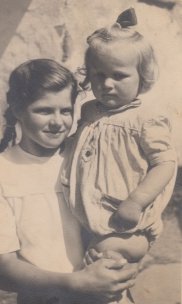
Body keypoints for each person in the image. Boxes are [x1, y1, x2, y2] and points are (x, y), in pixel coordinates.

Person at [0, 59, 138, 304]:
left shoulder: (88, 155)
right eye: (44, 110)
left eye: (65, 110)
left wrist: (118, 258)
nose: (57, 122)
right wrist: (75, 283)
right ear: (17, 110)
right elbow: (3, 272)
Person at [61, 8, 177, 301]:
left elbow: (165, 163)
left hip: (125, 225)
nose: (106, 84)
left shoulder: (145, 118)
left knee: (98, 274)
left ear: (143, 76)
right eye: (98, 75)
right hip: (91, 218)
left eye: (118, 75)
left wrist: (136, 201)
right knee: (89, 272)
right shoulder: (89, 110)